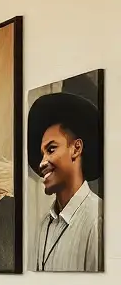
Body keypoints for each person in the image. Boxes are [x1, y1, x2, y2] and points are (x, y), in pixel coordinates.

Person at [28, 91, 102, 271]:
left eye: (51, 149)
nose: (42, 162)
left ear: (76, 149)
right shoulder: (45, 224)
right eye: (42, 153)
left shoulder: (98, 220)